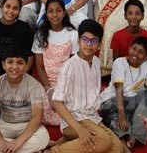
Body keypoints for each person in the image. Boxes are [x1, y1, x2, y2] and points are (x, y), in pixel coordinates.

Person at [49, 19, 124, 153]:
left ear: (99, 45)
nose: (89, 44)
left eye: (93, 41)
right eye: (85, 39)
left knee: (117, 148)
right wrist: (80, 130)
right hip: (73, 120)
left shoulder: (96, 62)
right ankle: (55, 151)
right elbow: (57, 103)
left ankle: (69, 143)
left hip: (92, 117)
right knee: (103, 141)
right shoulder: (69, 67)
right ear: (78, 41)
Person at [0, 46, 50, 153]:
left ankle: (2, 151)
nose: (14, 67)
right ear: (3, 65)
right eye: (10, 62)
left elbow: (37, 116)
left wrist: (18, 141)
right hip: (5, 124)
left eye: (20, 63)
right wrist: (0, 141)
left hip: (26, 124)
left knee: (43, 138)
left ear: (26, 66)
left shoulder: (33, 84)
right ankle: (17, 149)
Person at [99, 35, 147, 149]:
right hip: (114, 101)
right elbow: (119, 89)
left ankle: (135, 136)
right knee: (114, 113)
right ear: (129, 48)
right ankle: (124, 143)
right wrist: (121, 115)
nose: (135, 54)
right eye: (134, 49)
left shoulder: (146, 66)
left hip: (132, 103)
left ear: (146, 57)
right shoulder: (120, 62)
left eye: (141, 52)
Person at [33, 0, 78, 125]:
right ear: (46, 14)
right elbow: (39, 66)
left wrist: (62, 88)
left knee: (71, 104)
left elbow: (73, 65)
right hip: (45, 82)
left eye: (58, 11)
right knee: (41, 105)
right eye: (50, 11)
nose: (54, 15)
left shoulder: (73, 34)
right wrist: (49, 91)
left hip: (66, 82)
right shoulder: (40, 35)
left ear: (64, 13)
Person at [0, 0, 35, 80]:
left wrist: (18, 78)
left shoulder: (25, 29)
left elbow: (30, 57)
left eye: (15, 8)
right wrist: (0, 81)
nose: (11, 11)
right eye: (8, 6)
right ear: (1, 7)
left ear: (20, 11)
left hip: (21, 79)